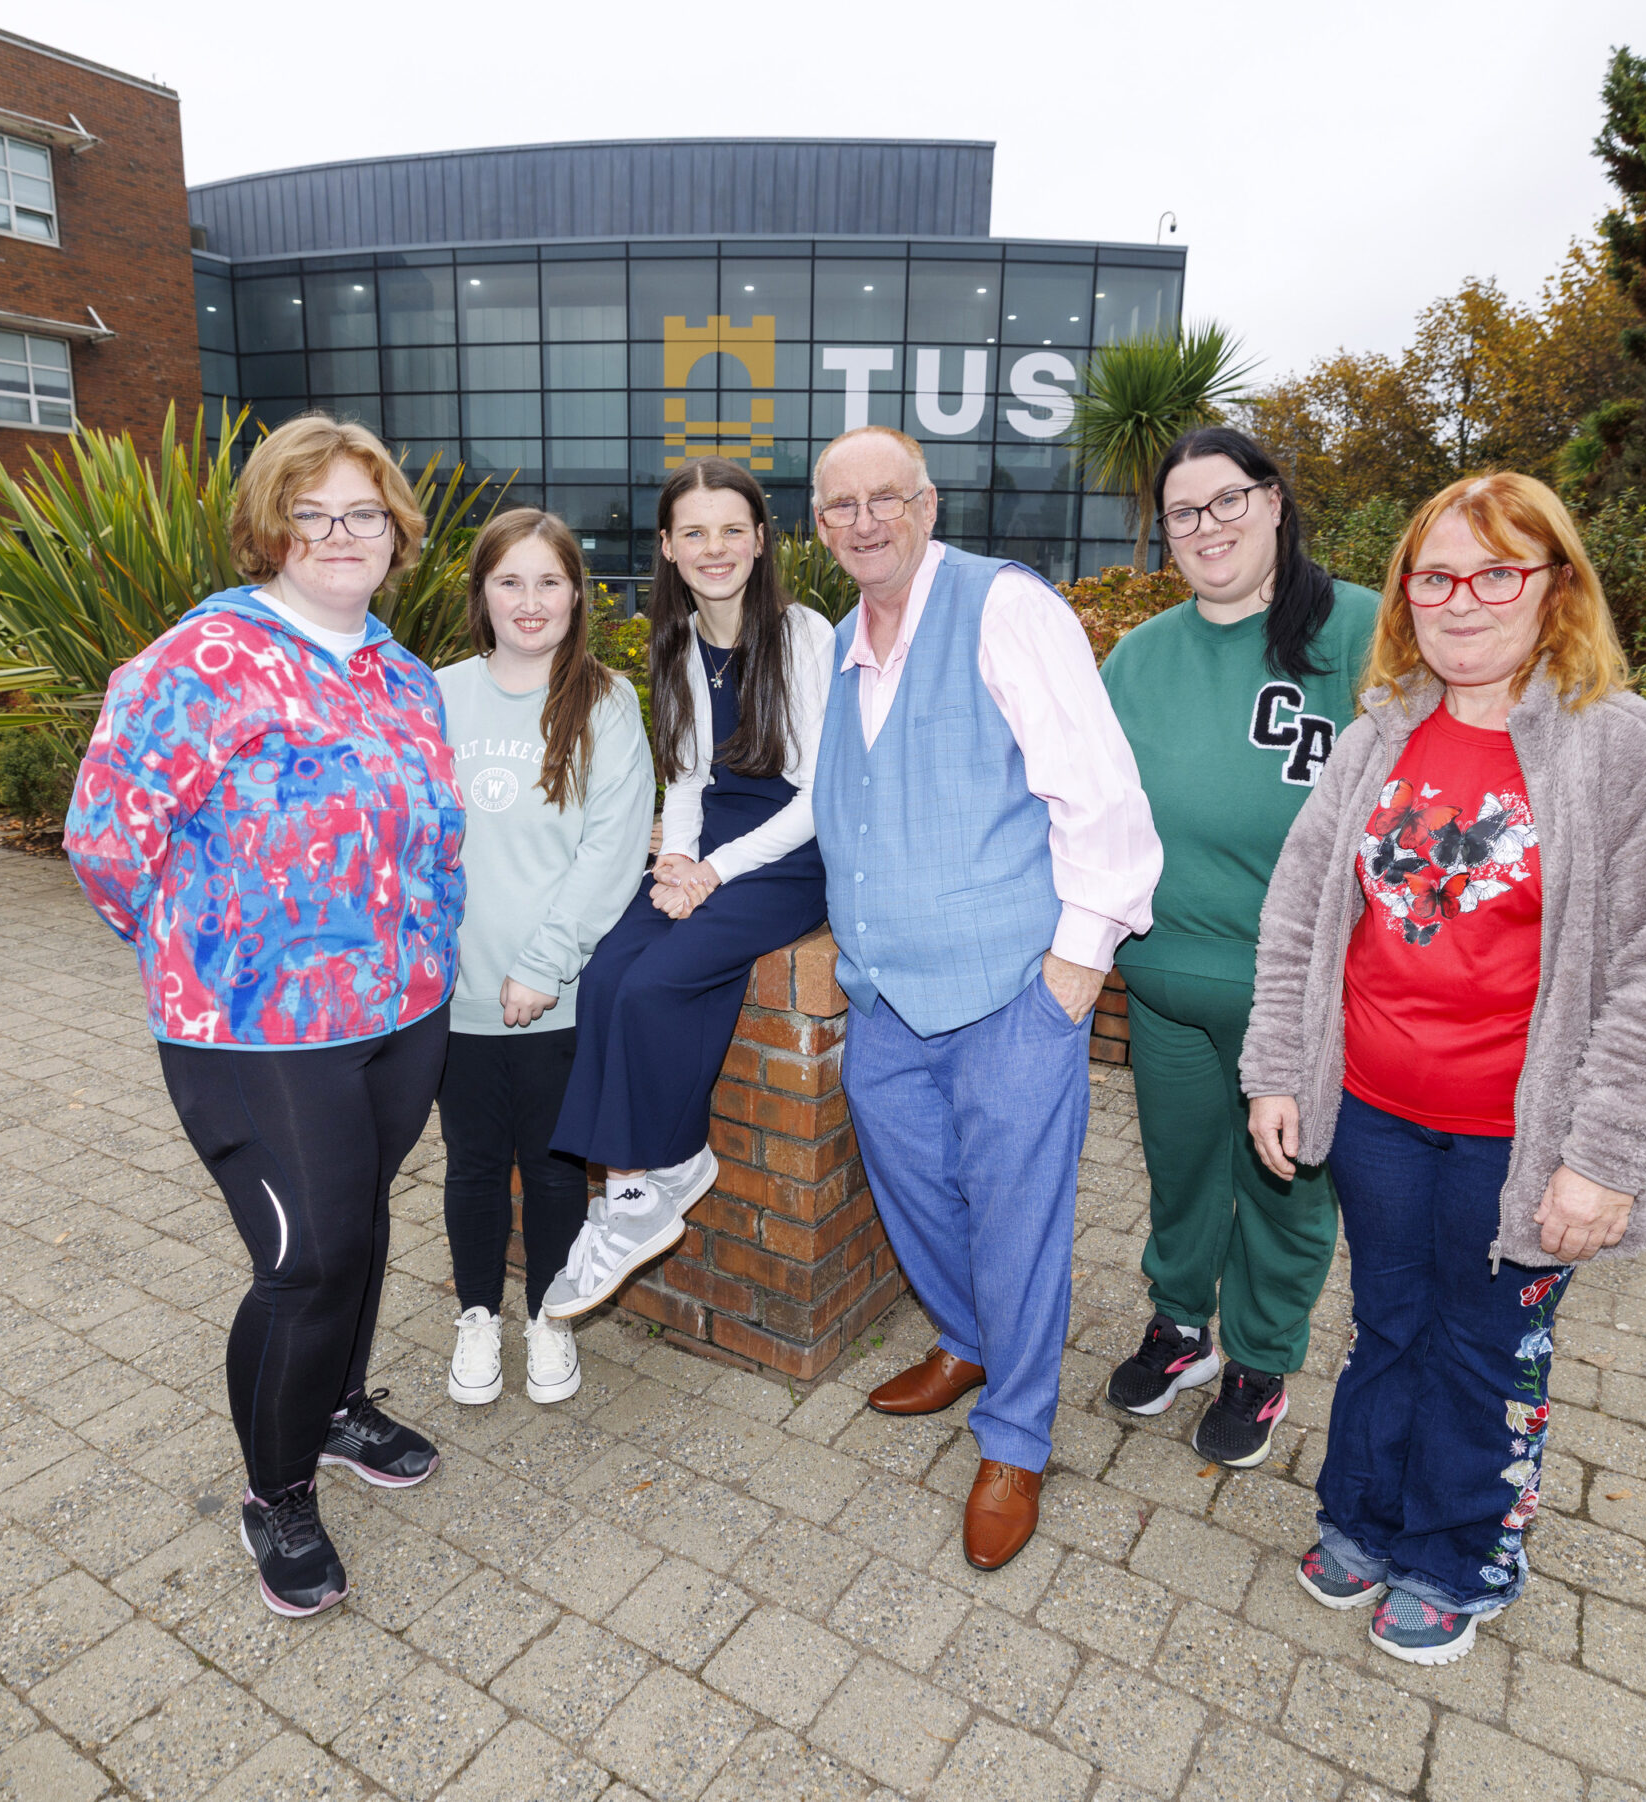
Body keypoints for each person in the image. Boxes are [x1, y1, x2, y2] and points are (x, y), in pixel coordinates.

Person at [1241, 470, 1646, 1666]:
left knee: (1485, 1342)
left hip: (1523, 1135)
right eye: (1436, 574)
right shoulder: (1379, 734)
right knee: (1390, 1321)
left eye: (1496, 572)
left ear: (1555, 585)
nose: (1463, 599)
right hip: (1377, 1115)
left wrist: (1604, 1157)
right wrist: (1277, 1068)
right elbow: (1300, 914)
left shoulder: (1634, 752)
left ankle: (1463, 1550)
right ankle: (1363, 1512)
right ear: (1406, 592)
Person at [65, 413, 462, 1620]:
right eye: (313, 512)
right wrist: (216, 960)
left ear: (395, 534)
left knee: (361, 1230)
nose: (342, 534)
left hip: (402, 1012)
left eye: (364, 513)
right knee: (307, 1260)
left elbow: (434, 834)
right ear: (270, 528)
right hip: (255, 1034)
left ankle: (334, 1408)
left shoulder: (399, 669)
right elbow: (103, 843)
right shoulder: (203, 661)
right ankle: (274, 1489)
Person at [812, 425, 1160, 1570]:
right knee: (913, 1186)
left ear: (926, 503)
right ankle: (965, 1337)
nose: (863, 522)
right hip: (886, 998)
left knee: (1020, 1220)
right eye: (837, 507)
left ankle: (1014, 1434)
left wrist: (1071, 975)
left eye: (884, 499)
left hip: (1015, 989)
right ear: (818, 526)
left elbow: (1101, 797)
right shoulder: (838, 643)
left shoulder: (1005, 606)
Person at [1097, 425, 1379, 1469]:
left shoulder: (1356, 631)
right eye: (1182, 512)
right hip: (1167, 983)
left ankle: (1262, 1359)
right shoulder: (1140, 655)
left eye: (1225, 501)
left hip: (1298, 998)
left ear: (1272, 502)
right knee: (1181, 1169)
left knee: (1285, 1185)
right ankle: (1181, 1326)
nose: (1205, 526)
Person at [540, 459, 834, 1316]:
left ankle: (657, 1173)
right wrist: (678, 860)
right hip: (715, 844)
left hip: (792, 852)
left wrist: (712, 873)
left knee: (660, 982)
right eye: (694, 532)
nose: (715, 548)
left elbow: (818, 798)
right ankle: (638, 1187)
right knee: (604, 973)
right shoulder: (673, 643)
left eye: (732, 529)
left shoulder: (803, 634)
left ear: (760, 540)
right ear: (667, 547)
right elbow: (689, 779)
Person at [432, 510, 652, 1410]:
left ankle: (549, 1318)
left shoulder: (607, 701)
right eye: (510, 582)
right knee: (472, 1162)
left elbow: (612, 848)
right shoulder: (434, 692)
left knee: (557, 1167)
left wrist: (545, 962)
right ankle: (478, 1317)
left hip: (554, 993)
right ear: (483, 595)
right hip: (448, 992)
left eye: (549, 582)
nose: (531, 601)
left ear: (577, 594)